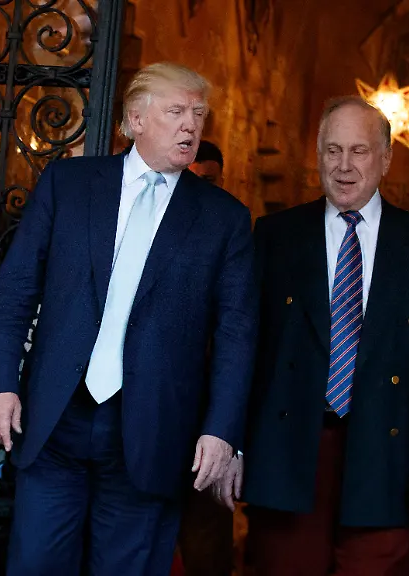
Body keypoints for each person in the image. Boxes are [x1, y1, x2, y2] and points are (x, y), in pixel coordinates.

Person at [0, 62, 257, 576]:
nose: (190, 126)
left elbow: (237, 335)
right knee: (36, 564)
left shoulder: (225, 218)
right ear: (135, 118)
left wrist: (222, 431)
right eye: (176, 112)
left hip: (152, 433)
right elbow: (15, 290)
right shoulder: (69, 183)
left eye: (198, 114)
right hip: (54, 421)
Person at [221, 96, 409, 576]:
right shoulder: (275, 236)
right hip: (288, 450)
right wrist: (232, 443)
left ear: (385, 157)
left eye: (359, 151)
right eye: (333, 151)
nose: (344, 166)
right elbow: (243, 346)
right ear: (318, 156)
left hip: (389, 457)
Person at [177, 139, 235, 576]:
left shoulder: (232, 230)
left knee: (205, 542)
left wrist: (226, 430)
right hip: (148, 411)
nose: (198, 189)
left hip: (207, 419)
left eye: (209, 181)